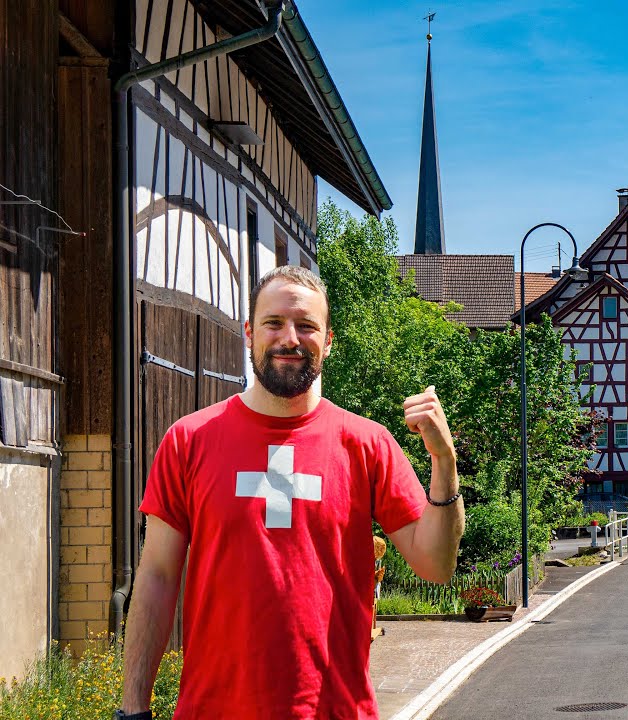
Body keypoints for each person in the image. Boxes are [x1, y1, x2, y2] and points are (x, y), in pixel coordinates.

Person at [116, 266, 464, 720]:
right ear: (249, 333)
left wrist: (445, 463)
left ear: (329, 341)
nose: (290, 338)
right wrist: (132, 708)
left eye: (306, 326)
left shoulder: (367, 444)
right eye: (274, 323)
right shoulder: (189, 441)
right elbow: (157, 577)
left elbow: (436, 565)